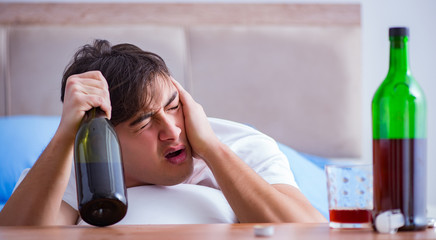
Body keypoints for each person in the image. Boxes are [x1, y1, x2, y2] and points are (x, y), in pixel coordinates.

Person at [0, 40, 326, 225]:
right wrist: (65, 136)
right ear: (105, 138)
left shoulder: (242, 146)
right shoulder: (74, 172)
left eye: (173, 106)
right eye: (144, 123)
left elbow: (306, 230)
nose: (172, 131)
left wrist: (211, 148)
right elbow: (21, 234)